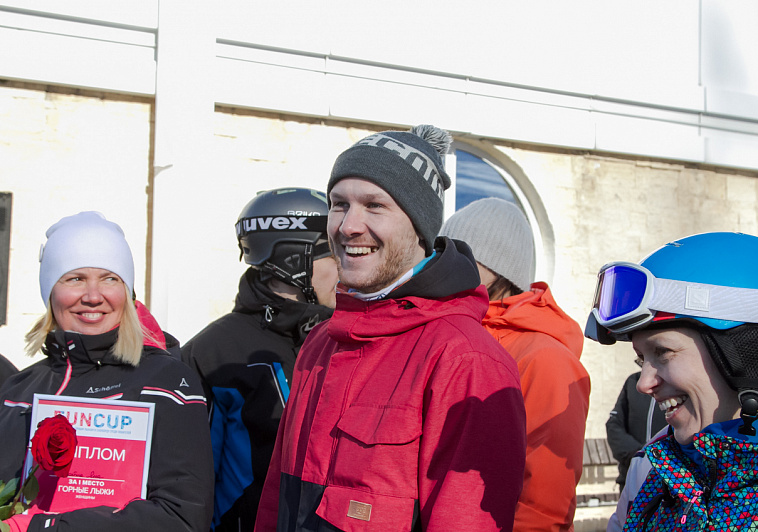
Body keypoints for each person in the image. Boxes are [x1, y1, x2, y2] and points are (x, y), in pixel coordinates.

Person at [255, 125, 527, 531]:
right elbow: (277, 500)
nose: (348, 226)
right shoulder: (320, 342)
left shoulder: (466, 361)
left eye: (375, 205)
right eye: (339, 204)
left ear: (419, 225)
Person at [0, 211, 213, 531]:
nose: (93, 296)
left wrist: (43, 528)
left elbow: (183, 517)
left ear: (126, 293)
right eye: (75, 279)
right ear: (50, 292)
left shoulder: (165, 381)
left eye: (110, 278)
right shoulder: (17, 391)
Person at [585, 231, 758, 530]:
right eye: (641, 359)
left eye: (663, 352)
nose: (643, 384)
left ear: (751, 353)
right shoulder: (650, 468)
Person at [181, 188, 338, 532]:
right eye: (333, 253)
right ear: (294, 261)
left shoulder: (345, 339)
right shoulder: (213, 353)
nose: (347, 265)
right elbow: (190, 487)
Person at [440, 197, 590, 532]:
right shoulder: (451, 332)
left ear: (501, 268)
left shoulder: (545, 357)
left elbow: (544, 505)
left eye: (463, 255)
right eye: (443, 252)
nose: (447, 265)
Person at [605, 371, 666, 489]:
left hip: (668, 482)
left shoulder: (675, 383)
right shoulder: (633, 381)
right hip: (631, 480)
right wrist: (639, 455)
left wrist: (657, 458)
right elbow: (614, 424)